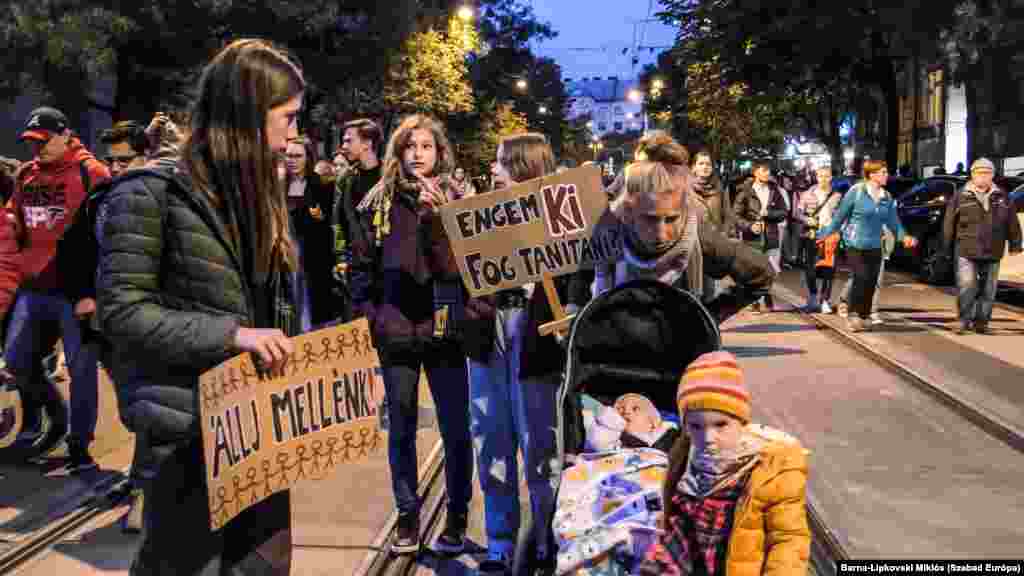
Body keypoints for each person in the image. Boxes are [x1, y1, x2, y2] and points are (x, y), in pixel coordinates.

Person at [98, 38, 303, 574]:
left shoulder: (264, 195)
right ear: (248, 115)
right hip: (186, 437)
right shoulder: (148, 194)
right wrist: (233, 335)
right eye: (287, 119)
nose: (294, 136)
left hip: (259, 432)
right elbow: (120, 311)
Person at [352, 114, 473, 555]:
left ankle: (457, 515)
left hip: (444, 331)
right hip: (397, 331)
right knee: (401, 427)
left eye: (426, 146)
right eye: (410, 146)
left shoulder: (458, 200)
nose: (418, 154)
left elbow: (465, 270)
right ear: (398, 153)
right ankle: (407, 516)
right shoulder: (378, 203)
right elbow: (360, 268)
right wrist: (373, 316)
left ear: (440, 153)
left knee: (456, 428)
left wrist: (437, 215)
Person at [463, 133, 565, 573]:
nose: (493, 171)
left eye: (502, 163)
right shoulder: (480, 214)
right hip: (489, 331)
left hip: (534, 329)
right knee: (491, 437)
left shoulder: (561, 216)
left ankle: (545, 539)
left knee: (540, 441)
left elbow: (576, 279)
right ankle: (500, 541)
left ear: (524, 168)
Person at [638, 351, 810, 576]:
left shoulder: (773, 469)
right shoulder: (686, 459)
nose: (708, 438)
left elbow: (788, 540)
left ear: (741, 421)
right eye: (696, 427)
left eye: (721, 424)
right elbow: (680, 528)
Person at [7, 106, 111, 469]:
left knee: (82, 372)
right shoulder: (25, 176)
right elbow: (14, 224)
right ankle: (56, 415)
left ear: (66, 134)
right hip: (33, 288)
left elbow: (106, 236)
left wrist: (95, 292)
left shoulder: (92, 173)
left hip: (76, 293)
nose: (38, 149)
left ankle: (79, 445)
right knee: (17, 361)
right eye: (32, 143)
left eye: (44, 141)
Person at [817, 160, 916, 332]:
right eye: (883, 172)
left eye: (886, 172)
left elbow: (893, 222)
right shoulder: (856, 192)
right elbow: (840, 216)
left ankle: (864, 315)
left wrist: (904, 236)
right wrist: (824, 234)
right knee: (861, 276)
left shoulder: (886, 197)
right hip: (855, 243)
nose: (887, 175)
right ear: (872, 174)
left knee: (871, 282)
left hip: (875, 245)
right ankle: (853, 315)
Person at [943, 158, 1023, 334]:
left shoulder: (1002, 196)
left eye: (987, 173)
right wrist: (946, 246)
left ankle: (982, 322)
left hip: (993, 249)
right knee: (967, 285)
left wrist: (1016, 244)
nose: (984, 176)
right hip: (966, 248)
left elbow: (1012, 222)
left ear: (993, 175)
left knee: (989, 289)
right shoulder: (961, 196)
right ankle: (964, 320)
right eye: (980, 173)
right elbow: (949, 222)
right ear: (972, 175)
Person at [332, 118, 383, 324]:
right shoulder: (346, 179)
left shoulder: (389, 177)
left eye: (348, 140)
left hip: (386, 267)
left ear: (367, 143)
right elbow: (338, 223)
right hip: (357, 269)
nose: (343, 146)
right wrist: (341, 258)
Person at [284, 135, 336, 328]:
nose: (292, 160)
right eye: (288, 155)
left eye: (297, 156)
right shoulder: (279, 185)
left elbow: (325, 221)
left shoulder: (322, 184)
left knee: (313, 304)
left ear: (308, 157)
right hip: (286, 252)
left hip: (314, 254)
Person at [733, 162, 788, 312]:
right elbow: (736, 216)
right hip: (752, 238)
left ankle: (766, 295)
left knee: (771, 268)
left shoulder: (774, 190)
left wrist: (769, 214)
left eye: (768, 171)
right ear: (755, 172)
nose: (767, 173)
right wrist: (749, 226)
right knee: (753, 269)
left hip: (771, 236)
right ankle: (754, 300)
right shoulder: (745, 191)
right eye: (763, 170)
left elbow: (783, 212)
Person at [690, 149, 734, 303]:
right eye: (701, 163)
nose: (704, 167)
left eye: (708, 164)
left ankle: (708, 322)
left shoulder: (719, 188)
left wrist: (724, 234)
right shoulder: (685, 189)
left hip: (713, 246)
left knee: (710, 289)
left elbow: (728, 215)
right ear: (693, 167)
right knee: (692, 289)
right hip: (691, 245)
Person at [796, 165, 837, 312]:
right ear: (816, 177)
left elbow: (842, 215)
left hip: (830, 237)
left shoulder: (837, 196)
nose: (823, 179)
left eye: (826, 176)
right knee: (810, 269)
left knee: (828, 269)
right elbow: (798, 213)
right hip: (811, 235)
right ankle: (813, 297)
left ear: (831, 177)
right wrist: (807, 220)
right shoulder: (807, 194)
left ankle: (825, 300)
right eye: (820, 176)